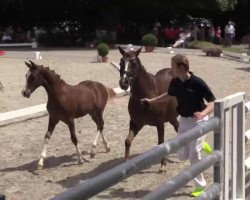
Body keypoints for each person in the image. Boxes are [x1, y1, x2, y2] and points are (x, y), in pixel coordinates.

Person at [142, 54, 215, 197]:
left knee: (194, 154)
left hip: (199, 119)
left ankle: (200, 186)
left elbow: (212, 101)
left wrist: (204, 112)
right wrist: (152, 101)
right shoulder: (175, 82)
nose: (171, 69)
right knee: (182, 155)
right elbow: (169, 95)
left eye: (172, 66)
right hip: (185, 120)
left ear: (181, 68)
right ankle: (203, 144)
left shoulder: (197, 82)